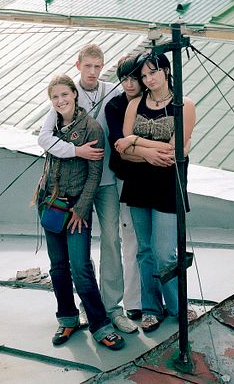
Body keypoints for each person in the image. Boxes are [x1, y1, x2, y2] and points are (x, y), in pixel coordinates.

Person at [38, 44, 137, 334]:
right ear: (78, 65)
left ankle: (112, 306)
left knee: (111, 240)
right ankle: (86, 302)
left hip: (106, 181)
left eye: (98, 66)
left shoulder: (113, 91)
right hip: (75, 186)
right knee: (78, 253)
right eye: (88, 66)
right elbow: (44, 138)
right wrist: (76, 151)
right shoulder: (66, 94)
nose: (93, 71)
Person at [115, 52, 197, 333]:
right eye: (144, 76)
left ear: (165, 70)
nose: (148, 80)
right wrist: (146, 152)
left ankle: (178, 305)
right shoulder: (135, 104)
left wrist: (135, 141)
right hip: (138, 184)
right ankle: (152, 308)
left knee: (164, 253)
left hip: (166, 186)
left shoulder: (184, 105)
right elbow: (124, 152)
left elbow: (174, 151)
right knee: (145, 251)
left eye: (153, 73)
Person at [104, 54, 171, 322]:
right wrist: (148, 154)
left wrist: (140, 147)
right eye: (125, 78)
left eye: (135, 77)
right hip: (129, 180)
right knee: (134, 241)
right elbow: (121, 145)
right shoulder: (116, 106)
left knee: (161, 247)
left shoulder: (155, 101)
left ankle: (165, 301)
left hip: (159, 181)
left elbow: (172, 144)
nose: (130, 83)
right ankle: (137, 301)